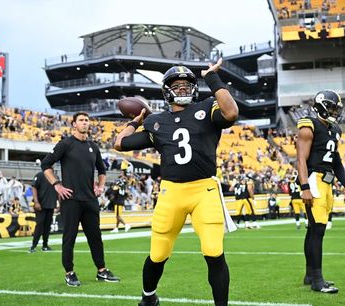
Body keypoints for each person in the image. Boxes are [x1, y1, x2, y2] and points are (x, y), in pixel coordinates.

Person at [114, 59, 238, 306]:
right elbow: (120, 144)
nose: (182, 88)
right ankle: (149, 297)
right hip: (171, 193)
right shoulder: (156, 122)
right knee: (158, 254)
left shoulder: (207, 108)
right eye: (176, 84)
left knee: (214, 252)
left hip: (204, 190)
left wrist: (212, 78)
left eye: (186, 84)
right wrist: (135, 121)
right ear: (167, 90)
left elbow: (231, 112)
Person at [41, 111, 120, 287]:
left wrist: (100, 186)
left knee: (95, 238)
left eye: (87, 120)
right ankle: (69, 273)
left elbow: (102, 170)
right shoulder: (66, 144)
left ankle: (102, 271)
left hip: (90, 200)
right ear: (74, 124)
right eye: (81, 121)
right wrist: (57, 185)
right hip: (71, 200)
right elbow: (45, 165)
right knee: (69, 238)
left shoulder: (94, 146)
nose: (85, 123)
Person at [296, 89, 345, 294]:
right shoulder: (308, 124)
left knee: (314, 229)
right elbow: (301, 158)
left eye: (336, 108)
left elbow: (335, 160)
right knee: (318, 230)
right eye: (331, 107)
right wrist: (304, 187)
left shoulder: (335, 129)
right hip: (313, 179)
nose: (334, 112)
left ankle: (310, 274)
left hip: (326, 182)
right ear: (320, 106)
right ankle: (317, 280)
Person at [29, 169, 58, 253]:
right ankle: (33, 245)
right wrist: (36, 202)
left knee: (47, 226)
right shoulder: (40, 175)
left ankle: (45, 245)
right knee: (40, 225)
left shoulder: (55, 176)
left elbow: (57, 190)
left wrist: (59, 203)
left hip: (51, 204)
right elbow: (34, 187)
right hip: (41, 205)